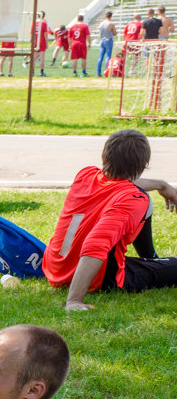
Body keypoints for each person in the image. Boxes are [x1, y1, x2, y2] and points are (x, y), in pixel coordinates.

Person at [43, 130, 177, 310]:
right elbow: (95, 245)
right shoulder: (133, 199)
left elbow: (124, 182)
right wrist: (74, 300)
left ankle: (150, 259)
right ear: (144, 164)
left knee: (143, 199)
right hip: (98, 278)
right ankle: (152, 262)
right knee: (142, 200)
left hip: (56, 268)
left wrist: (162, 185)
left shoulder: (85, 175)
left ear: (104, 156)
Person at [97, 11, 116, 77]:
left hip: (102, 40)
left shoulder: (101, 23)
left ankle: (98, 72)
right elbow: (114, 33)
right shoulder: (111, 24)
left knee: (100, 57)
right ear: (111, 17)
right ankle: (106, 71)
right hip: (108, 40)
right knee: (108, 57)